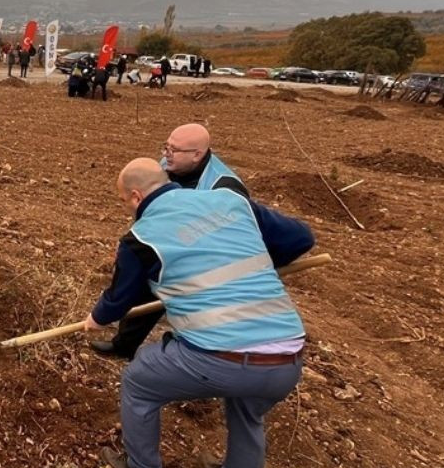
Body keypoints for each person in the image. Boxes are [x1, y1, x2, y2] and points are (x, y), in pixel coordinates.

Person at [87, 158, 309, 468]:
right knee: (247, 410)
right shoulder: (230, 201)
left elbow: (119, 298)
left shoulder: (141, 236)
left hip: (221, 359)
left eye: (124, 202)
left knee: (138, 382)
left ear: (135, 196)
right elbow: (301, 237)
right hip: (288, 357)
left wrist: (95, 320)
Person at [90, 124, 312, 358]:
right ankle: (125, 345)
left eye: (174, 150)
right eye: (166, 147)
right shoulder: (167, 167)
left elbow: (254, 235)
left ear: (197, 154)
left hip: (208, 255)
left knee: (191, 305)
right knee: (147, 281)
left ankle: (203, 351)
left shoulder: (225, 187)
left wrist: (257, 264)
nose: (166, 155)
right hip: (176, 244)